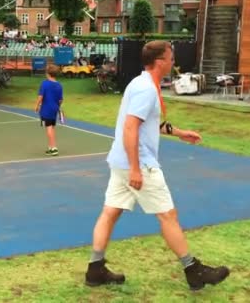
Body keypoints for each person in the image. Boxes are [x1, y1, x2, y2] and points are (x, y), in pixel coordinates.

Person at [84, 40, 230, 291]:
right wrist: (136, 169)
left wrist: (180, 132)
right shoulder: (146, 89)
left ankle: (95, 270)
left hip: (120, 161)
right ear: (160, 61)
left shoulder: (141, 83)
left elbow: (148, 123)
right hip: (138, 162)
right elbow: (130, 127)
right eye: (171, 58)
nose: (174, 62)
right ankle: (193, 269)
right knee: (167, 215)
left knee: (110, 212)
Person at [35, 64, 63, 156]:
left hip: (46, 109)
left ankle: (54, 147)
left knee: (48, 127)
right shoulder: (59, 85)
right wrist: (57, 106)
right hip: (54, 109)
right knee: (52, 126)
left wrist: (37, 105)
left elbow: (40, 96)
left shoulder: (45, 83)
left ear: (48, 73)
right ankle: (50, 147)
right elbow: (60, 100)